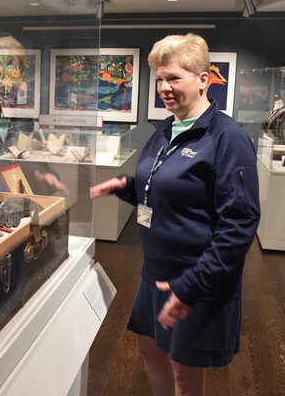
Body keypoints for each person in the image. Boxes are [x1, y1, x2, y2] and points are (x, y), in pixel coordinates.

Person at [90, 33, 260, 395]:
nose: (164, 88)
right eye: (159, 80)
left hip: (196, 278)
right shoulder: (165, 130)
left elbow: (240, 222)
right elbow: (161, 190)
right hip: (155, 270)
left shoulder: (227, 138)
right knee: (150, 350)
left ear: (203, 79)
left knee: (185, 371)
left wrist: (192, 285)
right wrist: (125, 186)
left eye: (174, 78)